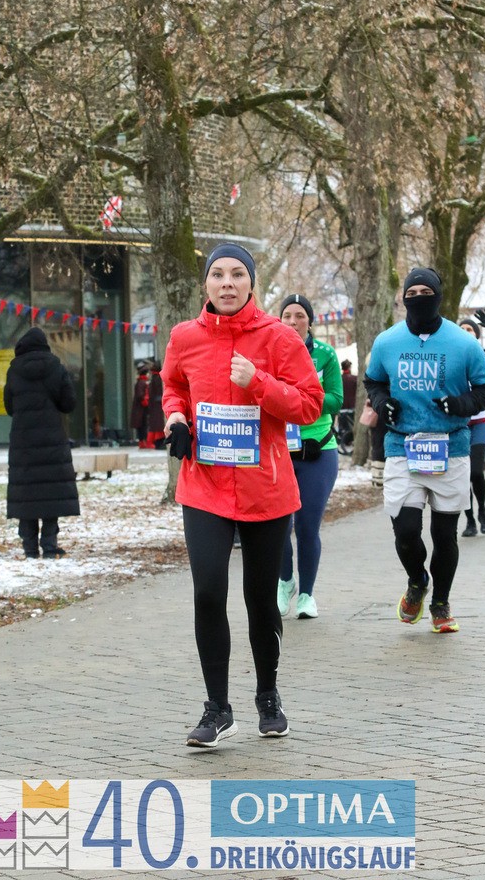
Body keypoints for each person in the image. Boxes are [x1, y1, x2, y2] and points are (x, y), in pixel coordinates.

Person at [161, 243, 323, 747]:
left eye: (237, 274)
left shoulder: (278, 337)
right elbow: (173, 388)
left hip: (265, 488)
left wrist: (259, 383)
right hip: (204, 484)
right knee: (208, 591)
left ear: (252, 284)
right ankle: (216, 707)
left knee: (259, 599)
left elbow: (310, 405)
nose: (227, 283)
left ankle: (268, 696)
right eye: (217, 274)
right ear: (205, 285)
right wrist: (176, 418)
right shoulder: (184, 337)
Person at [364, 268, 485, 633]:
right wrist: (382, 401)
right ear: (404, 297)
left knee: (444, 535)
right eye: (413, 291)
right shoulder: (387, 341)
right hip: (402, 445)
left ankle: (440, 602)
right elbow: (374, 380)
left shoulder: (463, 343)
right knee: (406, 530)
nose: (419, 297)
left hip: (450, 447)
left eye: (427, 291)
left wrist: (459, 404)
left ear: (438, 295)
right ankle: (416, 581)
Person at [277, 295, 343, 619]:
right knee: (275, 525)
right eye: (287, 315)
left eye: (299, 316)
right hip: (279, 448)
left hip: (318, 448)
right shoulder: (269, 352)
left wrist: (303, 400)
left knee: (306, 526)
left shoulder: (326, 354)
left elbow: (335, 399)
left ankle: (306, 595)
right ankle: (285, 580)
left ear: (310, 322)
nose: (292, 321)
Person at [4, 327, 79, 558]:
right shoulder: (55, 366)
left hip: (23, 441)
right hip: (51, 439)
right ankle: (49, 545)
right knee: (50, 492)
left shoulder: (13, 371)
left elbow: (9, 406)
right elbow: (68, 403)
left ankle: (29, 548)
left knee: (27, 494)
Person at [458, 310, 485, 534]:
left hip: (479, 421)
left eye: (470, 329)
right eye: (462, 329)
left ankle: (483, 512)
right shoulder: (452, 356)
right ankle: (469, 520)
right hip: (457, 423)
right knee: (462, 474)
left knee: (476, 471)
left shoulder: (482, 356)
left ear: (476, 335)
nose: (466, 332)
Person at [129, 362, 150, 448]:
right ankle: (142, 442)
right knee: (142, 425)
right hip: (141, 409)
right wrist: (146, 403)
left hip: (140, 409)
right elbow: (140, 395)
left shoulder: (140, 381)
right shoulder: (142, 382)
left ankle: (142, 441)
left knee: (142, 425)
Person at [146, 360, 165, 449]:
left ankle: (158, 443)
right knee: (160, 426)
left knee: (157, 426)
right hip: (159, 406)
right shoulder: (159, 379)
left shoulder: (153, 378)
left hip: (155, 406)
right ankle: (159, 443)